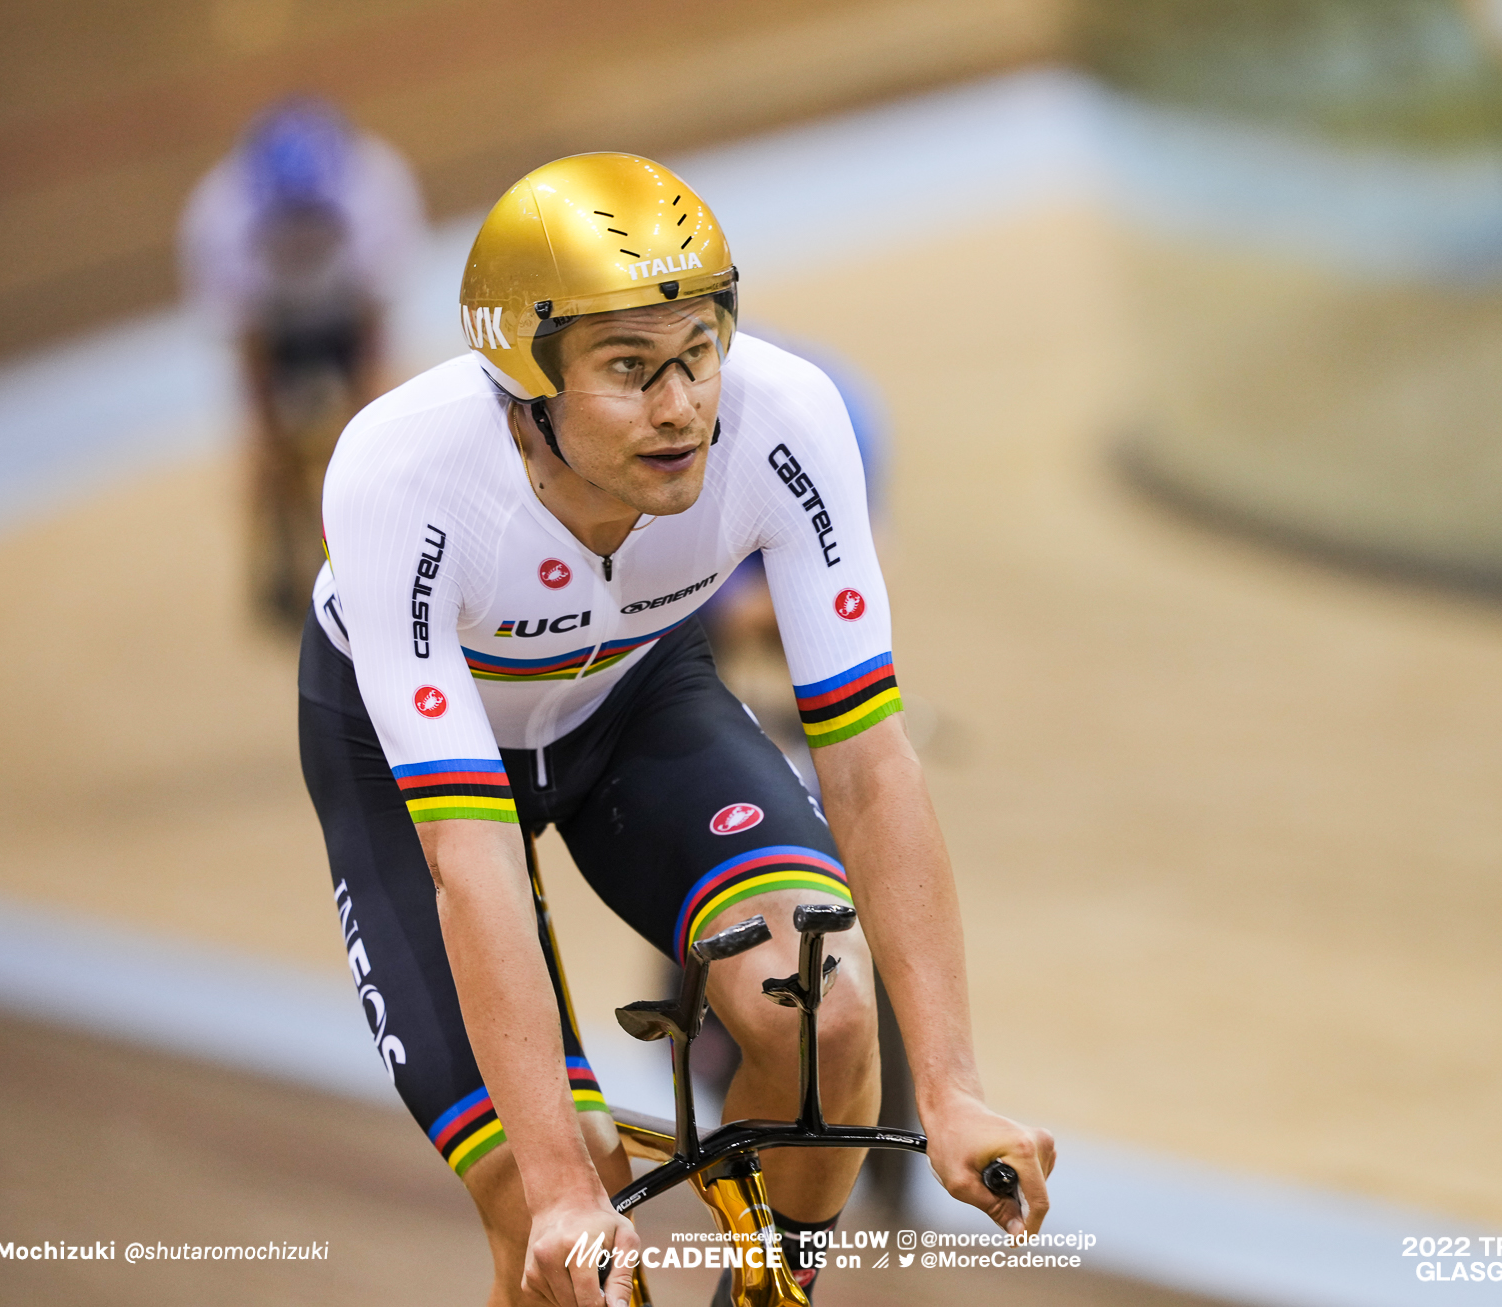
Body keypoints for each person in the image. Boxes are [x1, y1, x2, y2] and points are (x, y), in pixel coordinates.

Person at [297, 152, 1052, 1307]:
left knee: (826, 1010)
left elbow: (868, 762)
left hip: (634, 699)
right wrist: (559, 1186)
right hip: (416, 773)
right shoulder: (403, 473)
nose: (682, 404)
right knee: (560, 1222)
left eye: (699, 352)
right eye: (629, 368)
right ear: (524, 378)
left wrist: (949, 1088)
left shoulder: (786, 418)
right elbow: (470, 853)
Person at [180, 96, 425, 627]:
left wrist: (370, 421)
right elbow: (249, 345)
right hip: (271, 323)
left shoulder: (376, 189)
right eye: (290, 233)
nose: (302, 242)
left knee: (384, 427)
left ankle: (399, 544)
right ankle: (273, 565)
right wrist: (269, 441)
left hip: (346, 312)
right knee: (265, 448)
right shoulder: (217, 219)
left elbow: (373, 321)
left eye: (312, 228)